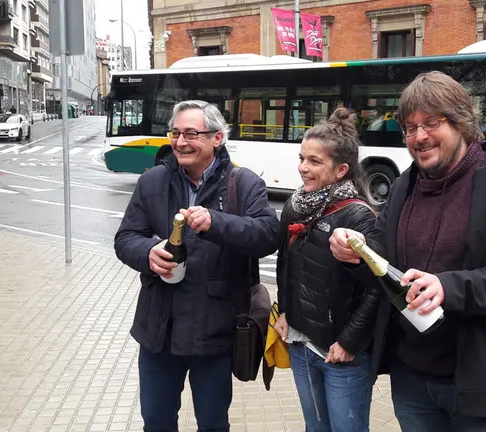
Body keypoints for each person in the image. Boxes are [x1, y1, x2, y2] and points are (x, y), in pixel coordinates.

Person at [329, 71, 486, 431]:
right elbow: (384, 259)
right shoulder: (406, 184)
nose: (418, 137)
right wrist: (357, 254)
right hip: (413, 382)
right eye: (409, 127)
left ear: (461, 122)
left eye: (431, 123)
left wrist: (448, 288)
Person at [114, 100, 279, 431]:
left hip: (214, 333)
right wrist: (148, 253)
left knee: (213, 423)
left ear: (217, 138)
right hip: (158, 331)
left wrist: (216, 223)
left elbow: (267, 235)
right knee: (157, 421)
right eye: (175, 133)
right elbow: (125, 238)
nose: (180, 142)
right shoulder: (152, 182)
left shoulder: (243, 183)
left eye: (191, 133)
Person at [273, 106, 381, 432]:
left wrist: (349, 342)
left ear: (341, 170)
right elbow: (284, 265)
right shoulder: (296, 205)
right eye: (302, 158)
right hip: (301, 342)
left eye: (315, 161)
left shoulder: (358, 216)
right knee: (315, 427)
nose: (303, 168)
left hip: (340, 356)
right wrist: (284, 312)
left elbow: (377, 288)